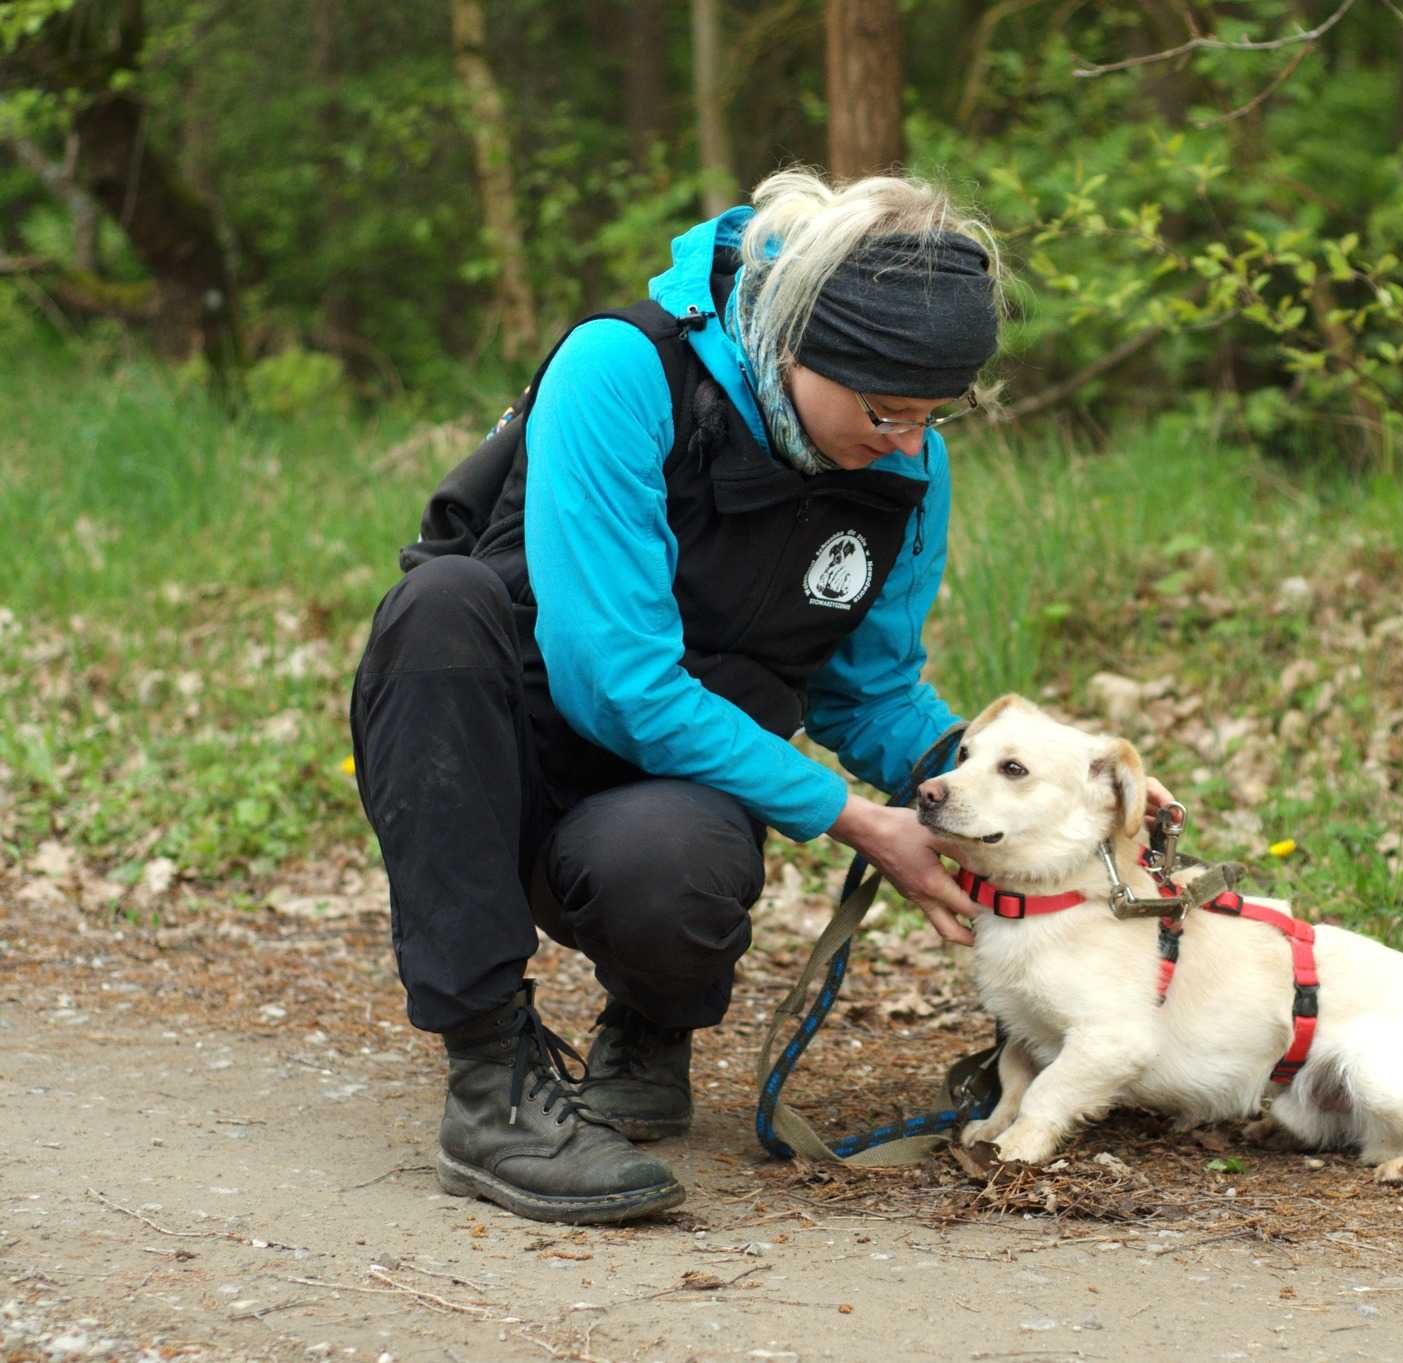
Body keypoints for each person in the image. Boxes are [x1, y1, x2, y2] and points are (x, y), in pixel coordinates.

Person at [348, 170, 1014, 1225]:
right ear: (797, 344)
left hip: (667, 790)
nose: (909, 440)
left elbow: (869, 694)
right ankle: (489, 1086)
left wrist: (1010, 796)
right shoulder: (621, 369)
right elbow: (617, 681)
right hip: (494, 758)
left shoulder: (904, 465)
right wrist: (851, 820)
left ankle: (650, 1029)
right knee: (436, 606)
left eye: (937, 414)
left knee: (676, 862)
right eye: (887, 409)